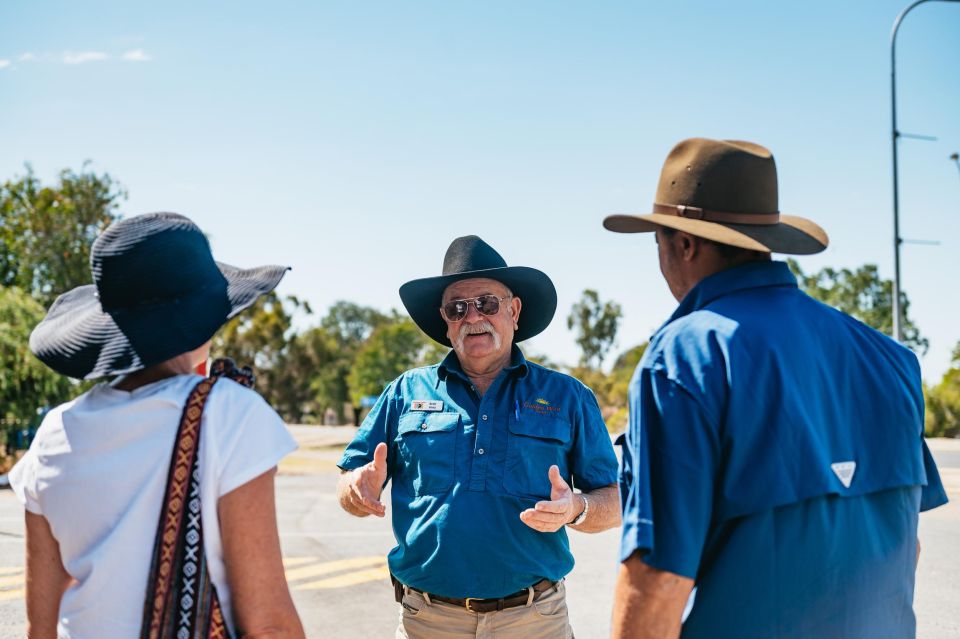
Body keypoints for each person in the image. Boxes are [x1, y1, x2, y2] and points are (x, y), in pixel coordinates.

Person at [603, 138, 949, 638]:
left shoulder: (688, 355)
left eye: (658, 240)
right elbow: (905, 546)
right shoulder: (890, 359)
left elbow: (657, 582)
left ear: (683, 244)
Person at [9, 212, 305, 638]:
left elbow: (41, 627)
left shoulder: (55, 431)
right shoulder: (227, 414)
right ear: (202, 320)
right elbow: (269, 625)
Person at [337, 235, 621, 638]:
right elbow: (349, 479)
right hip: (427, 622)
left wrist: (576, 507)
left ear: (514, 311)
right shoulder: (405, 392)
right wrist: (354, 489)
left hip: (534, 620)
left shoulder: (568, 396)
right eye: (458, 308)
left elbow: (614, 499)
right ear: (445, 320)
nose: (473, 317)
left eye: (487, 303)